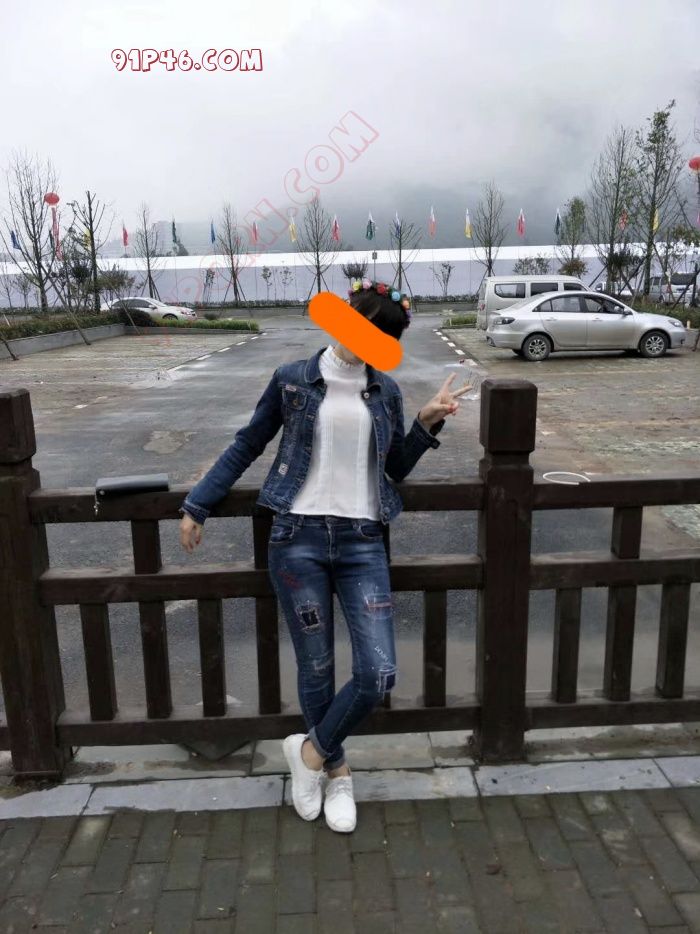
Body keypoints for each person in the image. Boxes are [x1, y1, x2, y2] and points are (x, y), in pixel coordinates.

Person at [179, 279, 470, 832]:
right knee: (315, 667)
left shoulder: (384, 391)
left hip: (362, 541)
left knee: (378, 672)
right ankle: (337, 772)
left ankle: (308, 753)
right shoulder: (292, 380)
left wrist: (425, 422)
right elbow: (248, 443)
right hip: (297, 539)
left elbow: (393, 468)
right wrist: (200, 502)